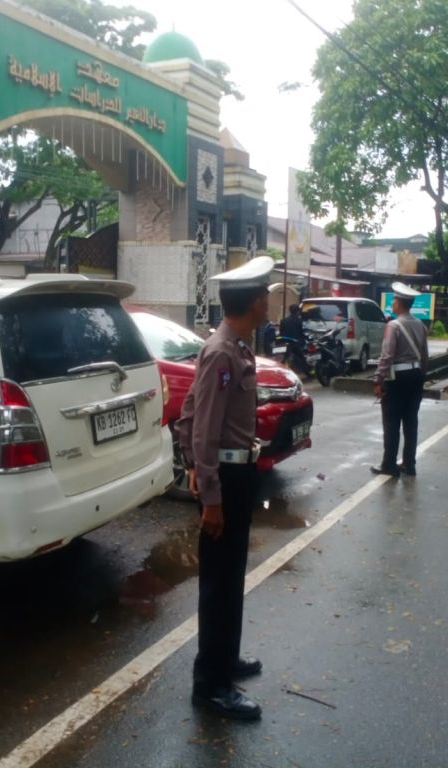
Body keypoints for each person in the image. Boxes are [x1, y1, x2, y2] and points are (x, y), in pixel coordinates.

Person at [176, 255, 273, 721]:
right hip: (227, 482)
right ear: (254, 302)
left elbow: (190, 412)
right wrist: (210, 495)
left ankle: (225, 659)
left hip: (238, 476)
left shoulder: (236, 347)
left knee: (232, 575)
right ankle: (211, 685)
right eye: (266, 295)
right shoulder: (222, 352)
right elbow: (203, 429)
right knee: (219, 582)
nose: (269, 300)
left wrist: (194, 466)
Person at [371, 282, 429, 478]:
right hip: (416, 376)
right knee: (411, 422)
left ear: (400, 304)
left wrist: (378, 379)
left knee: (392, 422)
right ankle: (409, 465)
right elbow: (424, 354)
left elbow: (387, 356)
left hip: (397, 379)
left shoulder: (393, 325)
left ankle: (389, 465)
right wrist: (422, 375)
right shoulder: (420, 325)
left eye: (394, 300)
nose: (392, 304)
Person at [278, 303, 308, 373]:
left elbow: (281, 332)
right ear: (298, 311)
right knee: (302, 357)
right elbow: (302, 332)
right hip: (296, 343)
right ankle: (307, 371)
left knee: (283, 357)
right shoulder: (299, 321)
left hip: (285, 342)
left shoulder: (284, 320)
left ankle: (280, 368)